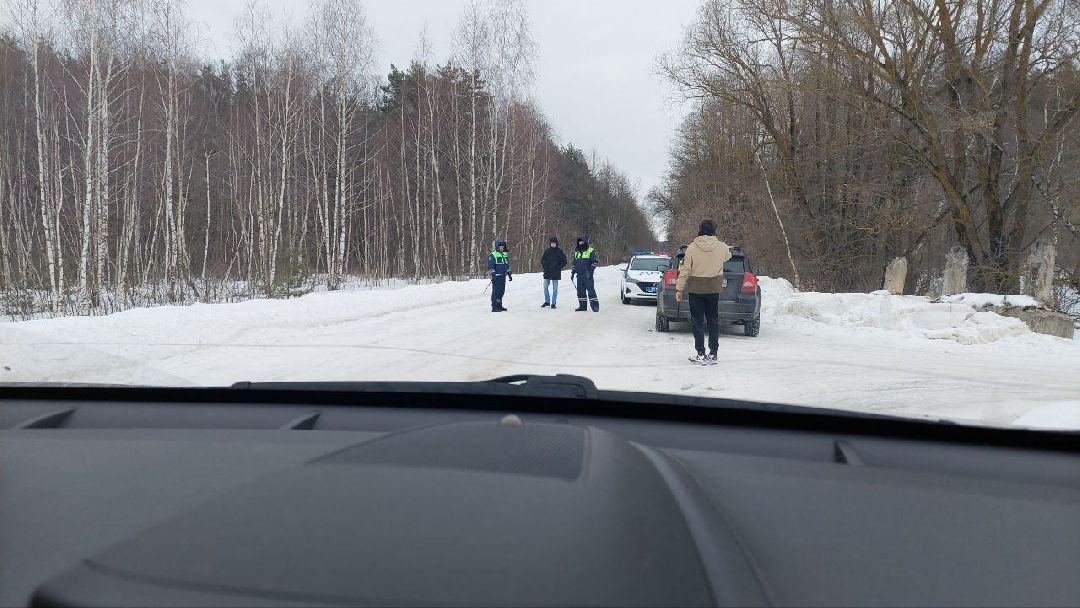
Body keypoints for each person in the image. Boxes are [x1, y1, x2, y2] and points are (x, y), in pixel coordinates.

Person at [675, 220, 732, 365]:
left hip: (696, 289)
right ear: (714, 229)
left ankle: (700, 353)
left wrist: (679, 289)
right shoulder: (722, 246)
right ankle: (713, 353)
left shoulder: (692, 248)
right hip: (714, 289)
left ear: (699, 229)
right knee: (713, 321)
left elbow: (685, 270)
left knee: (697, 322)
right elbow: (728, 257)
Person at [571, 236, 599, 312]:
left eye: (582, 242)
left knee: (591, 291)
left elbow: (594, 262)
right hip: (579, 275)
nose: (580, 243)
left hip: (587, 274)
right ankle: (582, 306)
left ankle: (595, 306)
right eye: (579, 242)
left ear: (585, 242)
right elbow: (574, 263)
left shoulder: (591, 250)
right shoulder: (576, 252)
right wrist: (573, 272)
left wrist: (591, 272)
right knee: (580, 291)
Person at [540, 236, 567, 309]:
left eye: (554, 243)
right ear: (550, 243)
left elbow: (564, 261)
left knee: (555, 289)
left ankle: (553, 303)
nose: (553, 244)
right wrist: (545, 267)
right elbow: (542, 260)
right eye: (552, 243)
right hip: (547, 272)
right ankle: (547, 301)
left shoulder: (560, 251)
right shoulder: (547, 251)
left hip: (556, 273)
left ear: (556, 243)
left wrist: (558, 267)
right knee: (545, 287)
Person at [488, 240, 512, 312]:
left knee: (501, 291)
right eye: (500, 247)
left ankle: (499, 305)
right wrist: (493, 273)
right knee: (496, 291)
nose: (501, 248)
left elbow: (507, 265)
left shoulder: (505, 254)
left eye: (502, 247)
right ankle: (494, 307)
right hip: (496, 276)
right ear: (497, 247)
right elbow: (490, 266)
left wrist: (509, 273)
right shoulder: (493, 255)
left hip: (503, 276)